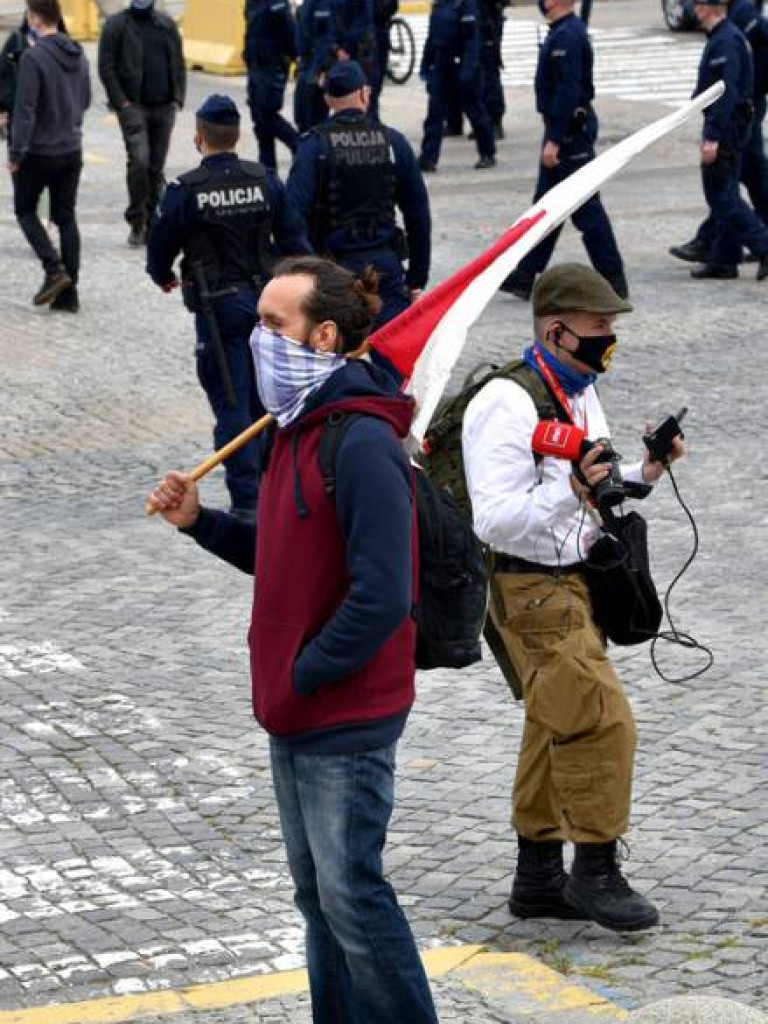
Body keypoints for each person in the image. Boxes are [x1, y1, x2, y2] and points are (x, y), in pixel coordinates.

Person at [147, 255, 440, 1024]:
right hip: (293, 706)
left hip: (342, 711)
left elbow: (386, 593)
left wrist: (309, 671)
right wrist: (200, 524)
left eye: (275, 324)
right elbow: (281, 556)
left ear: (326, 334)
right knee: (319, 898)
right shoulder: (293, 428)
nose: (258, 337)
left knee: (354, 896)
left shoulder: (363, 443)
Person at [462, 264, 685, 933]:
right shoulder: (505, 402)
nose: (608, 341)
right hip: (527, 587)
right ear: (557, 330)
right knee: (601, 719)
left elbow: (595, 474)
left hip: (573, 580)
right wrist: (573, 491)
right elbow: (493, 519)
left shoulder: (578, 389)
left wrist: (643, 470)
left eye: (611, 329)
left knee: (552, 720)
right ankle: (596, 869)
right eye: (598, 330)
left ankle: (536, 880)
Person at [146, 95, 310, 520]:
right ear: (237, 136)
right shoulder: (266, 180)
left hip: (219, 311)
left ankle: (248, 498)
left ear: (199, 137)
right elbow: (295, 242)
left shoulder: (187, 190)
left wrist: (163, 275)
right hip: (268, 305)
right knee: (273, 396)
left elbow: (160, 247)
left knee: (232, 402)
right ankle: (280, 482)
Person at [499, 0, 627, 302]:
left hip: (570, 134)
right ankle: (525, 273)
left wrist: (555, 138)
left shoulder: (569, 35)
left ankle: (613, 278)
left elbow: (568, 91)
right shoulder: (561, 31)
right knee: (546, 207)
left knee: (586, 209)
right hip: (561, 130)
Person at [288, 60, 431, 327]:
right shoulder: (393, 142)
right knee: (390, 356)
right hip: (384, 268)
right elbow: (418, 214)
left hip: (333, 269)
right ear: (365, 94)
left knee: (331, 358)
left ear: (328, 99)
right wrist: (416, 278)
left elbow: (293, 217)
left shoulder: (314, 145)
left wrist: (312, 270)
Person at [669, 0, 768, 276]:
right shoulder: (723, 36)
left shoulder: (727, 40)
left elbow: (726, 93)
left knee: (724, 197)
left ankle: (763, 245)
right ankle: (724, 259)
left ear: (710, 8)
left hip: (726, 129)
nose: (694, 10)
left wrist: (712, 136)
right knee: (725, 194)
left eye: (698, 4)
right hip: (728, 126)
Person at [8, 0, 90, 313]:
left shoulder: (33, 57)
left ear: (34, 17)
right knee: (65, 217)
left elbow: (25, 109)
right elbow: (84, 100)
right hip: (71, 147)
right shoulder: (78, 53)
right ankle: (69, 294)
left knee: (25, 210)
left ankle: (54, 269)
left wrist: (17, 153)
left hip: (40, 151)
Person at [98, 0, 185, 247]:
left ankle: (153, 221)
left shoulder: (166, 24)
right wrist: (121, 102)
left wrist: (177, 98)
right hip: (133, 106)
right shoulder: (116, 25)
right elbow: (106, 66)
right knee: (139, 161)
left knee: (155, 168)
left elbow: (178, 62)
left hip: (164, 106)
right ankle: (137, 220)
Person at [418, 0, 497, 171]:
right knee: (435, 111)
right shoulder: (440, 5)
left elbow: (472, 41)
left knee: (474, 109)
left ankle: (487, 152)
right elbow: (432, 37)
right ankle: (428, 157)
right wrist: (426, 64)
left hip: (462, 62)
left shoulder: (467, 4)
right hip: (441, 63)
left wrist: (468, 69)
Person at [294, 0, 376, 133]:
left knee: (354, 118)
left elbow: (358, 26)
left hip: (334, 64)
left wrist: (339, 51)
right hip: (310, 64)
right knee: (304, 119)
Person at [244, 0, 299, 171]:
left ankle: (299, 145)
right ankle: (267, 171)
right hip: (255, 68)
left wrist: (295, 57)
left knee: (267, 115)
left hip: (271, 67)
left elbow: (290, 33)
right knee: (259, 122)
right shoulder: (252, 3)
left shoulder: (278, 4)